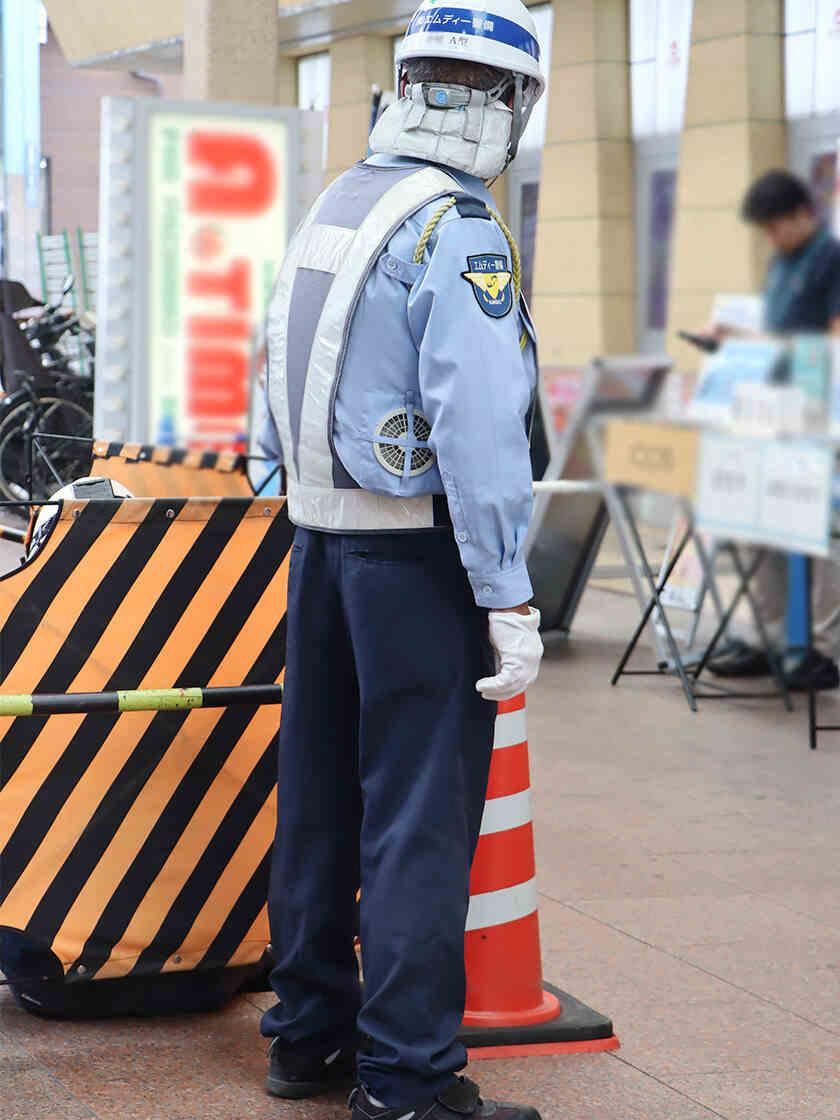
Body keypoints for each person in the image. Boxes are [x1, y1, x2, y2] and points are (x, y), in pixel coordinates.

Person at [258, 2, 546, 1118]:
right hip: (416, 563)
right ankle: (409, 1079)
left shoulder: (340, 201)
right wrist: (507, 589)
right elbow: (478, 423)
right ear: (502, 102)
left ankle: (308, 1036)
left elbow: (271, 364)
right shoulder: (459, 226)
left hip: (320, 547)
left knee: (318, 797)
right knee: (419, 815)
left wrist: (295, 496)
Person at [707, 169, 840, 691]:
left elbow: (832, 339)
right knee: (760, 519)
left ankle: (824, 649)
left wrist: (774, 349)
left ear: (802, 214)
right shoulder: (782, 261)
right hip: (773, 407)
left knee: (824, 529)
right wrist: (739, 338)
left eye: (775, 227)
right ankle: (769, 637)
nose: (770, 237)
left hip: (821, 409)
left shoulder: (830, 257)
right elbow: (779, 330)